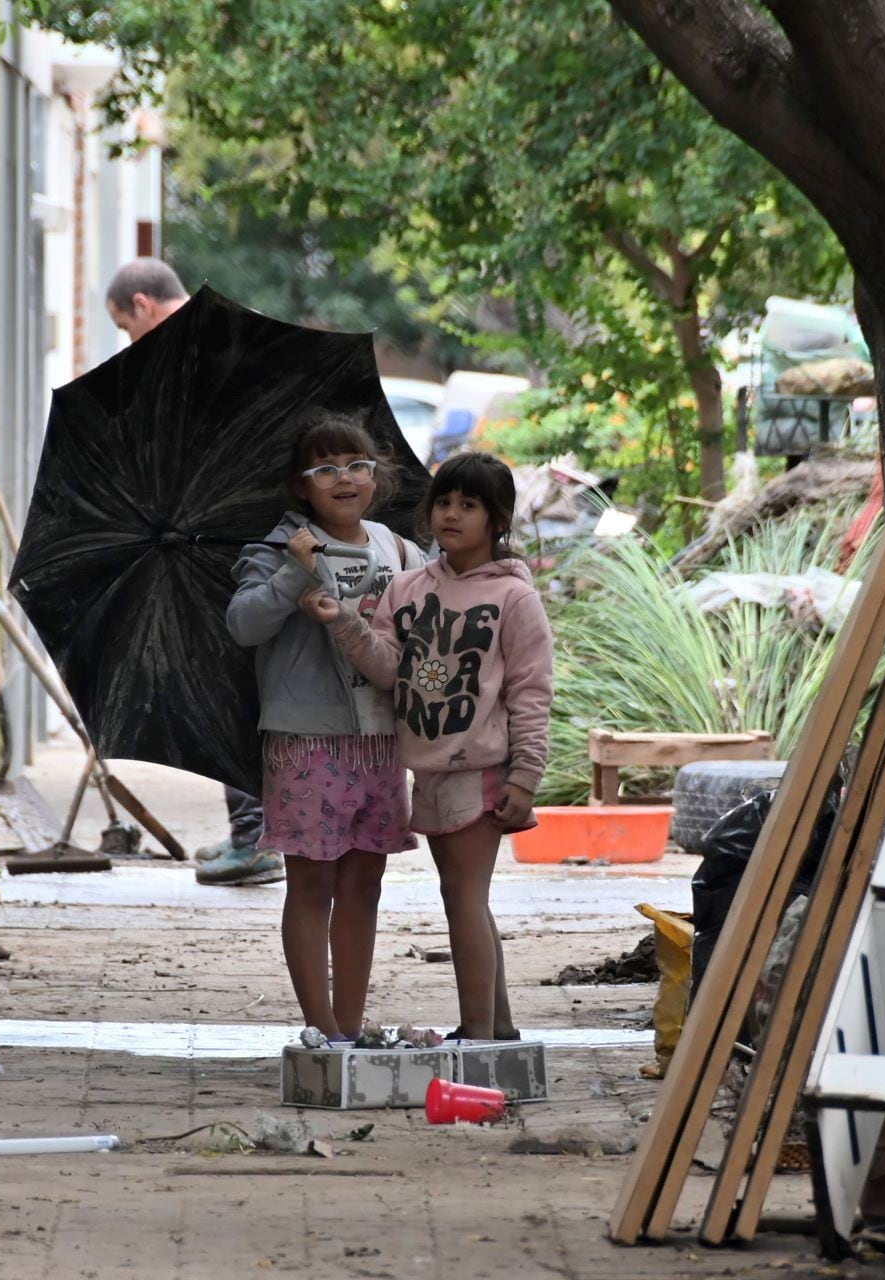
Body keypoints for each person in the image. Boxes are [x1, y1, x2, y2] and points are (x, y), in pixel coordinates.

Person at [308, 453, 553, 1041]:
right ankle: (498, 1027)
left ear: (497, 520)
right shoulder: (409, 587)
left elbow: (531, 691)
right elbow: (389, 668)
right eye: (444, 502)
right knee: (465, 897)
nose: (451, 514)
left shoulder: (515, 600)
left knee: (464, 896)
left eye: (469, 506)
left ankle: (477, 1033)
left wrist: (526, 776)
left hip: (484, 767)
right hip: (431, 769)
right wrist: (343, 622)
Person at [227, 414, 426, 1040]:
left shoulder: (399, 549)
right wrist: (293, 574)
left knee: (366, 879)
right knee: (312, 879)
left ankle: (351, 1023)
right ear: (301, 485)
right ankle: (322, 1029)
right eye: (326, 469)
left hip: (381, 739)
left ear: (377, 476)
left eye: (357, 465)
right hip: (306, 739)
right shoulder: (277, 549)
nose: (345, 479)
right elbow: (243, 626)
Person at [103, 257, 281, 887]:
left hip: (222, 546)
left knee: (228, 688)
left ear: (144, 305)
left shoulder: (187, 356)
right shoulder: (234, 337)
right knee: (234, 683)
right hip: (247, 539)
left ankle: (257, 838)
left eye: (127, 328)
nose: (131, 343)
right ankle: (250, 830)